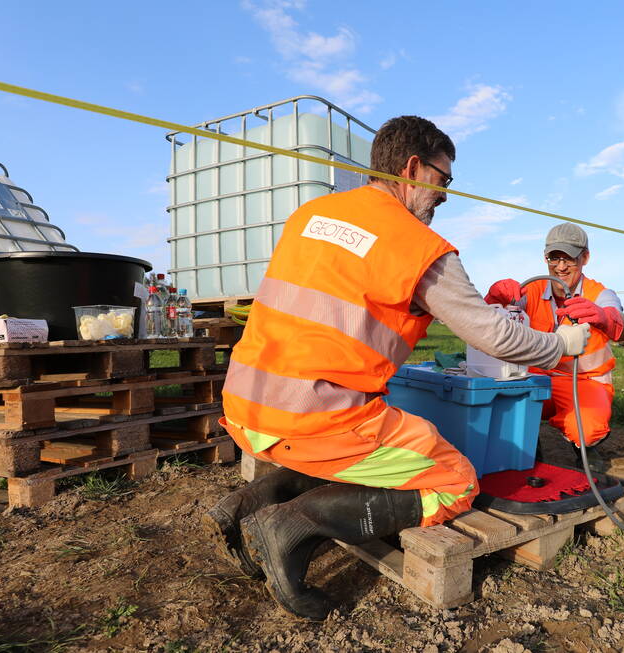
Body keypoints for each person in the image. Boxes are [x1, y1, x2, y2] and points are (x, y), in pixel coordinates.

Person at [205, 116, 590, 621]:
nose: (445, 195)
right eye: (443, 180)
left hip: (246, 405)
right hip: (317, 417)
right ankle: (293, 527)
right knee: (454, 480)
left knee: (354, 458)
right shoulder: (417, 246)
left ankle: (247, 504)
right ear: (413, 168)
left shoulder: (312, 215)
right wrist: (559, 343)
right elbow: (494, 335)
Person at [484, 223, 624, 472]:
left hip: (584, 381)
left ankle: (586, 449)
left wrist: (605, 318)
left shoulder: (600, 293)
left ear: (585, 258)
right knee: (500, 399)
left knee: (587, 426)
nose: (560, 267)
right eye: (554, 258)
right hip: (536, 378)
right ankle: (527, 445)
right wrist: (493, 297)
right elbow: (490, 318)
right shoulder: (531, 290)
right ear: (545, 258)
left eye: (569, 259)